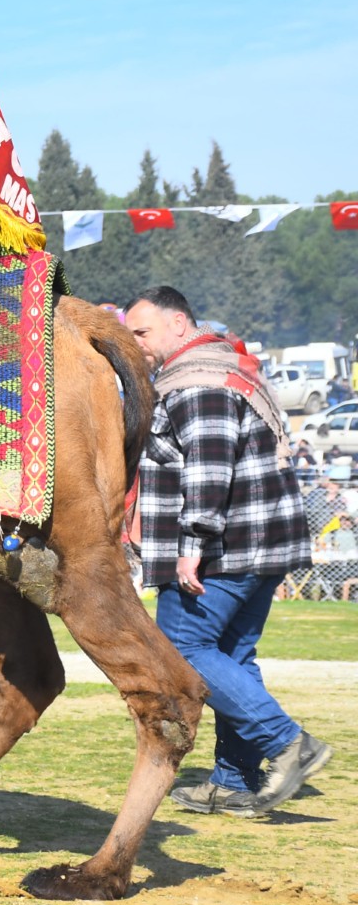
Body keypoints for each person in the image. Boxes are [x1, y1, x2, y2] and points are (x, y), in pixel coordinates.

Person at [125, 286, 331, 816]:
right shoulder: (224, 368)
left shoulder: (197, 380)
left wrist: (192, 544)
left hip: (224, 548)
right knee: (234, 656)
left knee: (181, 649)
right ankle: (234, 782)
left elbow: (209, 467)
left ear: (178, 323)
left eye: (142, 332)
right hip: (256, 543)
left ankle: (289, 744)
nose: (135, 343)